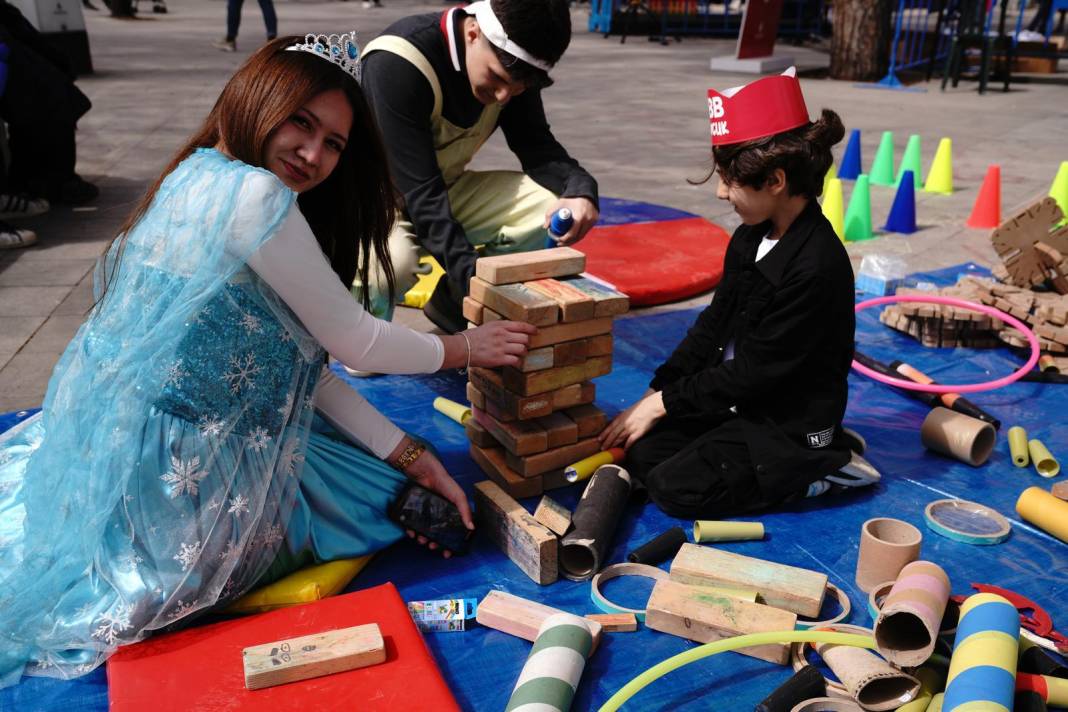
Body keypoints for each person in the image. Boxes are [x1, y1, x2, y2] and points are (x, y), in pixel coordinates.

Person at [0, 32, 536, 687]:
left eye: (334, 143)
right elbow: (352, 343)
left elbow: (298, 365)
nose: (313, 154)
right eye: (302, 124)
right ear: (256, 99)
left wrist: (409, 451)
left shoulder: (195, 169)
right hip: (187, 465)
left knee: (379, 482)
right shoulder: (257, 198)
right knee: (368, 506)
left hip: (130, 438)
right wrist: (462, 347)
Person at [599, 69, 879, 519]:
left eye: (730, 179)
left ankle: (823, 465)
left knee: (675, 491)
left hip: (784, 421)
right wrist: (657, 391)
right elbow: (713, 324)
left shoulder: (816, 267)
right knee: (643, 454)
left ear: (775, 181)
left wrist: (663, 403)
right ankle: (809, 455)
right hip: (737, 403)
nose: (719, 191)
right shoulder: (751, 236)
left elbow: (755, 372)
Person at [357, 0, 599, 333]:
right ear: (473, 32)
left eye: (516, 89)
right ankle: (360, 330)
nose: (503, 97)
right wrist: (480, 286)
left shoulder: (512, 70)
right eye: (497, 79)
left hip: (438, 188)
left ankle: (452, 306)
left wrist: (581, 190)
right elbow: (424, 200)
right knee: (393, 263)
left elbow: (538, 149)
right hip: (367, 202)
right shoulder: (398, 63)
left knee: (546, 209)